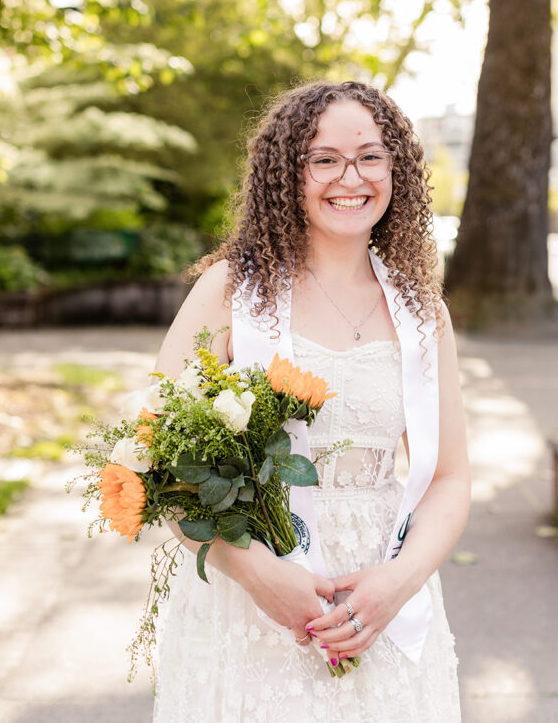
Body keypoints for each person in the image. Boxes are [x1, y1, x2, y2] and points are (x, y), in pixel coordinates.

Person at [152, 80, 470, 723]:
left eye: (370, 156)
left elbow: (450, 476)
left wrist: (396, 584)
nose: (349, 177)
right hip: (253, 606)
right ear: (286, 175)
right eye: (323, 158)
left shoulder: (420, 310)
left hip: (382, 602)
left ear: (396, 169)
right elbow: (158, 463)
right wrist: (258, 575)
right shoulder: (232, 292)